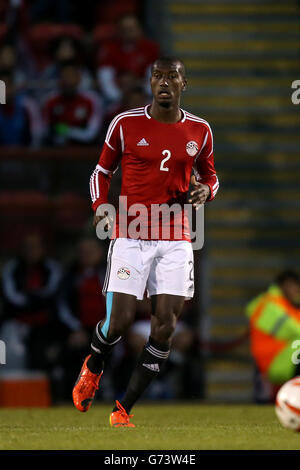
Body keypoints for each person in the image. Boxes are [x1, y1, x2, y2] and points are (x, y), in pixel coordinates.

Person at [72, 56, 219, 427]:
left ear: (185, 84)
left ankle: (123, 409)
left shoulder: (200, 130)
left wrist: (205, 191)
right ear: (150, 83)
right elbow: (101, 171)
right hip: (131, 234)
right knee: (119, 323)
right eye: (158, 76)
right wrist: (101, 205)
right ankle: (94, 363)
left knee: (165, 325)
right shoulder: (125, 124)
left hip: (176, 238)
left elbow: (212, 178)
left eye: (173, 76)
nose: (165, 82)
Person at [246, 270, 300, 401]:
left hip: (281, 359)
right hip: (273, 364)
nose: (297, 290)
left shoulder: (283, 304)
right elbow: (294, 329)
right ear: (285, 285)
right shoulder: (270, 304)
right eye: (294, 286)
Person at [96, 14, 159, 105]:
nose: (128, 32)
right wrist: (118, 97)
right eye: (124, 29)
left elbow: (154, 78)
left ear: (140, 29)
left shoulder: (150, 48)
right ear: (118, 31)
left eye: (132, 28)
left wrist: (142, 94)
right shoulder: (109, 49)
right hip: (116, 97)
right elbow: (105, 79)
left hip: (143, 96)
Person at [43, 60, 103, 146]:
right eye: (64, 76)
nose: (68, 80)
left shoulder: (92, 100)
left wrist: (65, 130)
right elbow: (44, 131)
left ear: (79, 78)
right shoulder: (50, 101)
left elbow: (91, 134)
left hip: (85, 151)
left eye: (71, 76)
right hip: (56, 151)